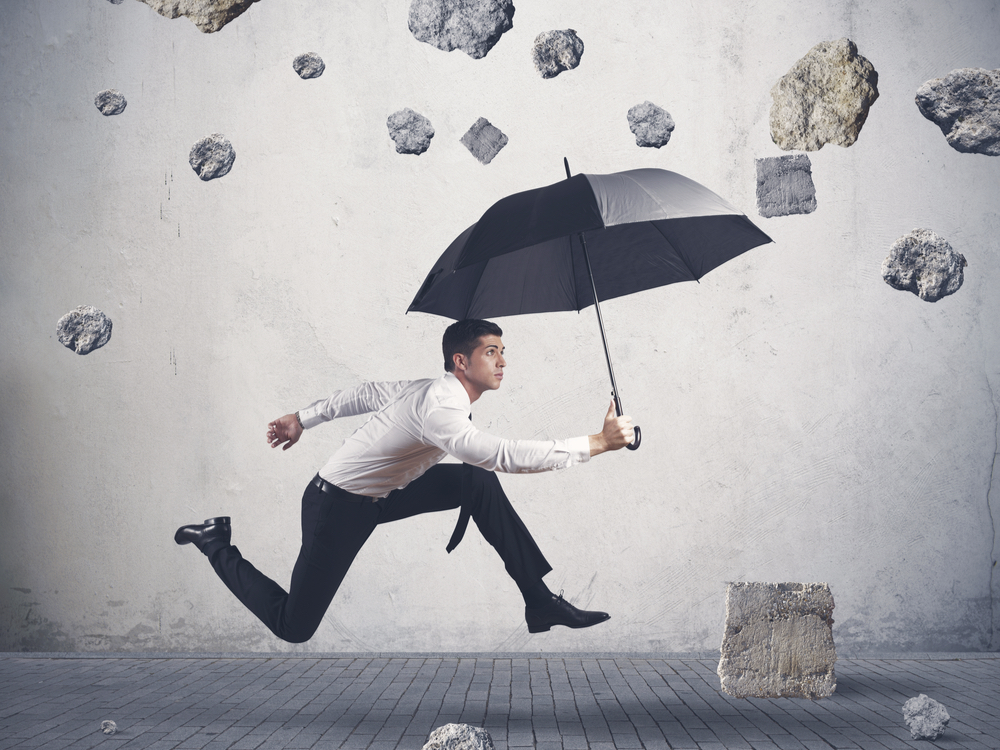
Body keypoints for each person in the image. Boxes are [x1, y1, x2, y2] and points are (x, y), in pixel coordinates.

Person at [175, 319, 634, 643]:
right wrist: (596, 442)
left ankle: (538, 599)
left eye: (502, 351)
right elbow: (501, 455)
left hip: (380, 496)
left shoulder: (427, 389)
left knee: (477, 483)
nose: (503, 361)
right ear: (461, 361)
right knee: (294, 627)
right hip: (336, 508)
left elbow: (364, 394)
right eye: (491, 352)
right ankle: (215, 543)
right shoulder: (441, 408)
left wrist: (302, 418)